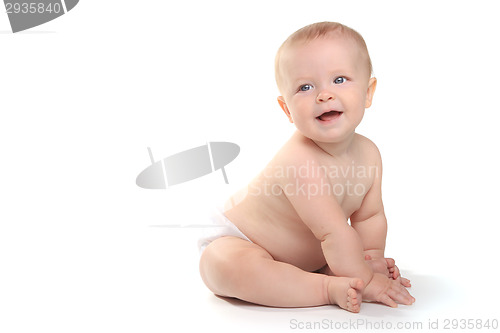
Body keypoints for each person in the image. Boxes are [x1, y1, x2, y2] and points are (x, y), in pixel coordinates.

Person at [199, 22, 415, 313]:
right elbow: (334, 232)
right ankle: (326, 287)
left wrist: (371, 257)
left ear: (368, 91)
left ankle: (328, 272)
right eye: (305, 87)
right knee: (223, 265)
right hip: (244, 241)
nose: (323, 95)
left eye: (339, 80)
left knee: (343, 251)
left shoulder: (370, 154)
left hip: (314, 255)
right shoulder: (299, 161)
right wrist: (366, 281)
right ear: (287, 109)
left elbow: (370, 216)